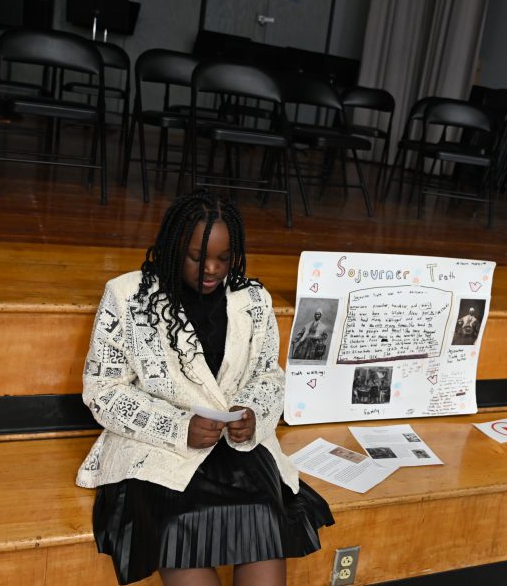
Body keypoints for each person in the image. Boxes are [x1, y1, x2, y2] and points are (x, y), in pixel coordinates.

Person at [77, 190, 333, 586]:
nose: (212, 269)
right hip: (157, 450)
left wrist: (253, 412)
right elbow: (103, 390)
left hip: (235, 448)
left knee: (263, 515)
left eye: (224, 258)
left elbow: (269, 375)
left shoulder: (253, 300)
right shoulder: (127, 297)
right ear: (173, 246)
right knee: (179, 525)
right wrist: (179, 426)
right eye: (198, 257)